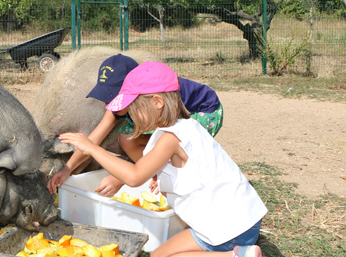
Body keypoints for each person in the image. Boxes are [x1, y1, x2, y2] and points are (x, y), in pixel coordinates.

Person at [58, 61, 268, 257]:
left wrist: (92, 148)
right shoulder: (188, 127)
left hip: (229, 229)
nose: (130, 115)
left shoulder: (169, 138)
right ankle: (237, 254)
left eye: (134, 108)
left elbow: (134, 177)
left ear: (157, 103)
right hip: (244, 220)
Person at [46, 54, 223, 196]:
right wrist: (67, 169)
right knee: (127, 137)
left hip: (203, 111)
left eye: (115, 96)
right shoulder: (123, 102)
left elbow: (167, 142)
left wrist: (121, 178)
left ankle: (168, 178)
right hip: (166, 118)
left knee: (177, 151)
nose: (111, 103)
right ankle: (154, 173)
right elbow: (94, 139)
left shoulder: (163, 98)